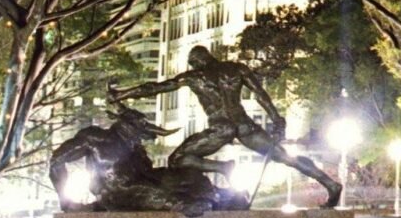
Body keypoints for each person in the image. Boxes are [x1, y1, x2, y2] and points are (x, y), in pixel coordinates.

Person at [110, 44, 342, 207]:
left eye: (193, 63)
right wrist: (276, 118)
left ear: (197, 61)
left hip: (221, 128)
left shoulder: (194, 76)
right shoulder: (236, 68)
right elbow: (260, 94)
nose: (193, 66)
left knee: (177, 159)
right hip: (244, 125)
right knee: (284, 157)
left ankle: (223, 168)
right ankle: (330, 184)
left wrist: (123, 94)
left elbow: (155, 88)